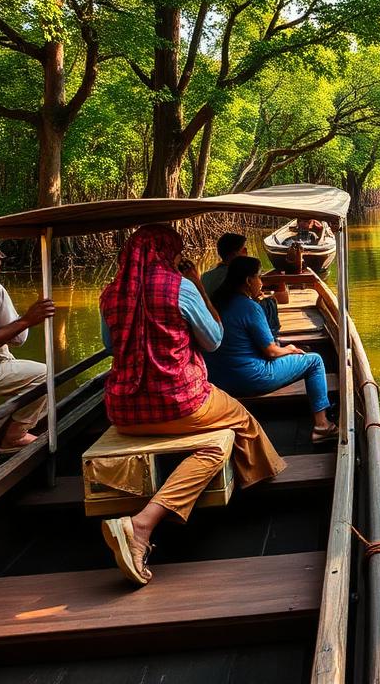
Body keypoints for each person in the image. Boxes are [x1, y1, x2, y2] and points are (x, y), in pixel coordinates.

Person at [99, 224, 286, 586]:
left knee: (216, 431)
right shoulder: (180, 287)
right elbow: (214, 340)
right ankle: (255, 494)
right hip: (180, 403)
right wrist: (199, 288)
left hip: (123, 411)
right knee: (237, 423)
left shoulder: (109, 293)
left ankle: (151, 519)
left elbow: (111, 346)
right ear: (167, 253)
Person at [204, 256, 337, 444]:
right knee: (314, 361)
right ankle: (322, 426)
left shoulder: (214, 303)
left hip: (217, 380)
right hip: (251, 378)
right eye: (259, 277)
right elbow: (271, 351)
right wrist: (290, 349)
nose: (261, 282)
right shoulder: (250, 307)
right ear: (248, 281)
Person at [0, 234, 55, 454]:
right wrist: (26, 320)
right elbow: (19, 339)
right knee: (44, 374)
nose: (0, 255)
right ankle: (14, 436)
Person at [203, 231, 281, 338]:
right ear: (233, 254)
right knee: (269, 303)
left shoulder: (205, 276)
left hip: (212, 321)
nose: (246, 252)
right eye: (243, 249)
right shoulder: (235, 275)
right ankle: (272, 336)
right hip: (231, 319)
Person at [200, 232, 248, 297]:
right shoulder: (239, 277)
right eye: (244, 250)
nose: (247, 253)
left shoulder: (205, 277)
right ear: (234, 254)